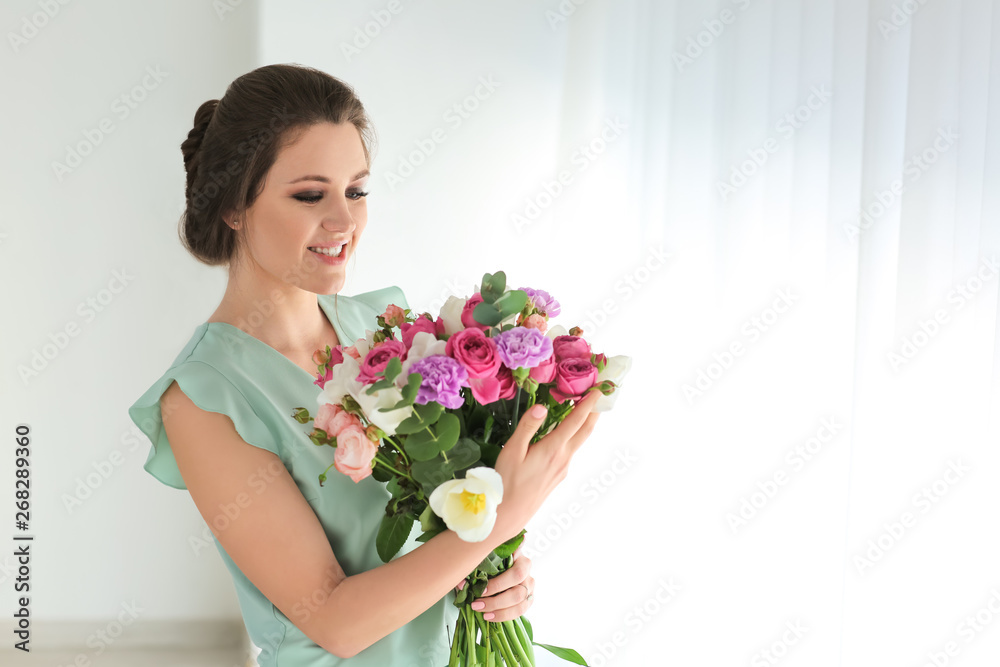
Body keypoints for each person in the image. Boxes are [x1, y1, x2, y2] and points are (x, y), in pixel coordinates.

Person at [127, 63, 602, 666]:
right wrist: (505, 514)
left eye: (356, 190)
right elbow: (335, 622)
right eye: (309, 194)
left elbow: (443, 531)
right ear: (233, 207)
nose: (344, 221)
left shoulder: (386, 327)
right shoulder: (204, 397)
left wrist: (494, 570)